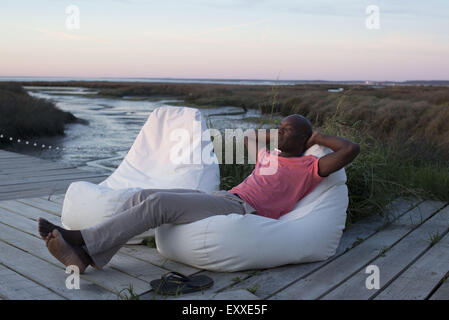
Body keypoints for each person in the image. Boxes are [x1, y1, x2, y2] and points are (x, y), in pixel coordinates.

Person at [38, 114, 360, 273]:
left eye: (286, 129)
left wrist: (315, 136)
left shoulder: (309, 167)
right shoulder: (269, 155)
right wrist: (281, 134)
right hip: (226, 197)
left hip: (242, 209)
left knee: (159, 204)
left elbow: (350, 149)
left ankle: (81, 240)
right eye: (279, 127)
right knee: (142, 196)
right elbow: (249, 136)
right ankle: (89, 255)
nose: (279, 131)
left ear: (303, 138)